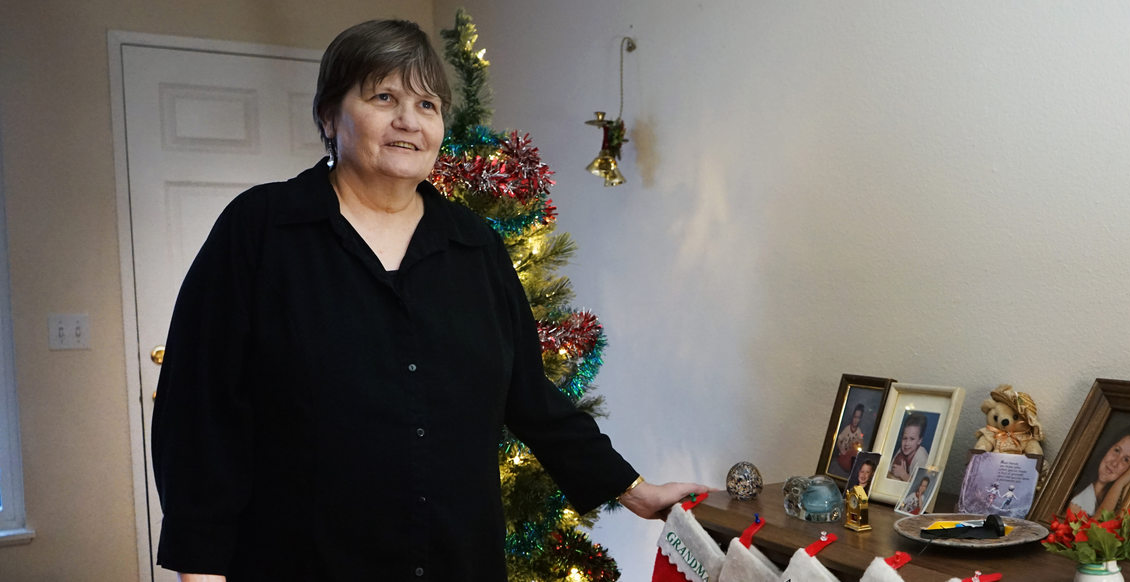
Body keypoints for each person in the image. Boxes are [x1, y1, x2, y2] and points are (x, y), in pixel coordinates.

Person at [150, 20, 706, 582]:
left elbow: (530, 396)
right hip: (300, 559)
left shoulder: (475, 245)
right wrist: (200, 568)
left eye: (426, 103)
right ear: (328, 116)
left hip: (457, 561)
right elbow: (200, 407)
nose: (408, 121)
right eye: (384, 97)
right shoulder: (262, 230)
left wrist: (633, 490)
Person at [1067, 425, 1130, 515]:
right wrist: (1120, 483)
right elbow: (1096, 527)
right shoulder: (1078, 499)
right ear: (1108, 448)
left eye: (1126, 459)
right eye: (1117, 450)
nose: (1115, 463)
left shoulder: (1122, 505)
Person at [887, 413, 929, 481]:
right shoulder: (901, 450)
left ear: (919, 440)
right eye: (904, 438)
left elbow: (920, 486)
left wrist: (903, 475)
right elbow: (888, 472)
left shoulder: (922, 457)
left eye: (912, 439)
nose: (906, 443)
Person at [834, 404, 866, 472]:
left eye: (858, 418)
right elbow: (838, 440)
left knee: (856, 456)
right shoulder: (847, 428)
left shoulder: (858, 430)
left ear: (860, 419)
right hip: (844, 454)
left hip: (850, 454)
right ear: (852, 417)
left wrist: (857, 441)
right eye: (855, 417)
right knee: (846, 463)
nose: (856, 420)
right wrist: (841, 449)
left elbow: (861, 442)